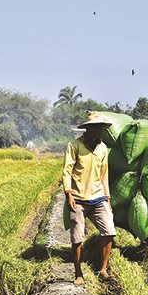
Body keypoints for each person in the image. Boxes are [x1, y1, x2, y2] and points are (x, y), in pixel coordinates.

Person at [62, 112, 116, 286]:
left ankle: (103, 269)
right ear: (87, 128)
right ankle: (78, 272)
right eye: (95, 127)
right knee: (77, 237)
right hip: (78, 197)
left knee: (109, 231)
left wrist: (107, 197)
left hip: (98, 196)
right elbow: (67, 171)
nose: (98, 130)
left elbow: (104, 174)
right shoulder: (74, 145)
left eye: (100, 127)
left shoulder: (103, 148)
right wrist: (68, 193)